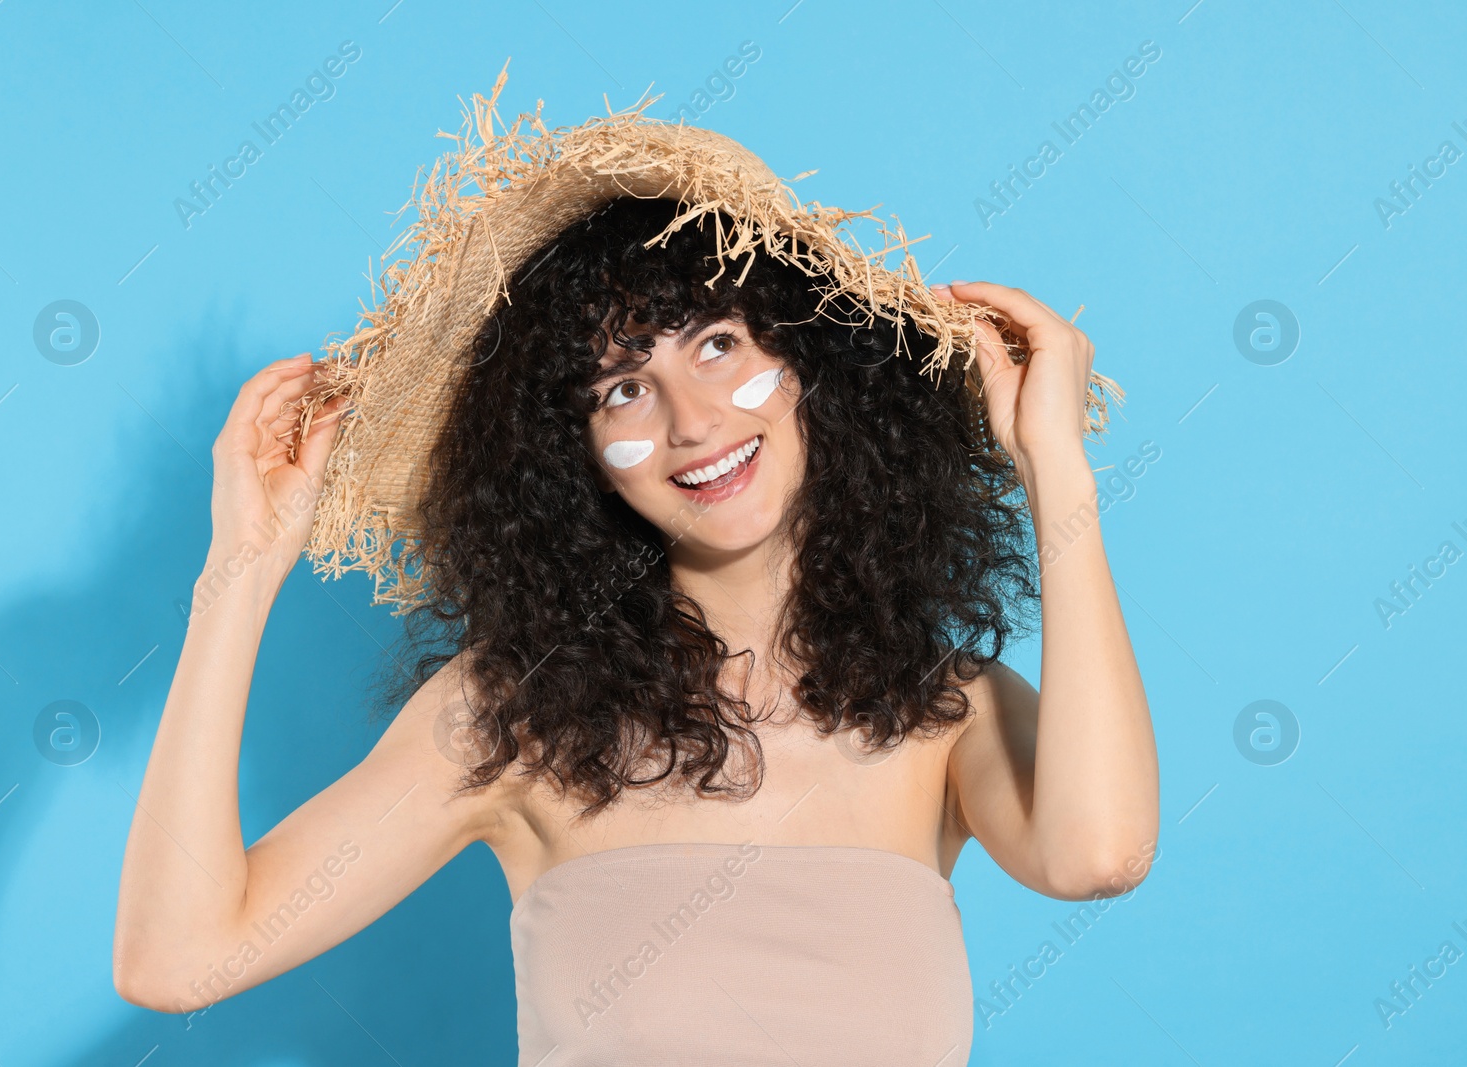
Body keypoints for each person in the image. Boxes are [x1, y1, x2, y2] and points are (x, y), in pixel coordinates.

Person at [113, 72, 1158, 1066]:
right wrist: (239, 576)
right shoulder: (512, 717)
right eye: (620, 388)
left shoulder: (940, 709)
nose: (691, 423)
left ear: (808, 365)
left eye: (716, 344)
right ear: (569, 458)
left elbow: (1095, 853)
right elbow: (181, 955)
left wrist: (1053, 470)